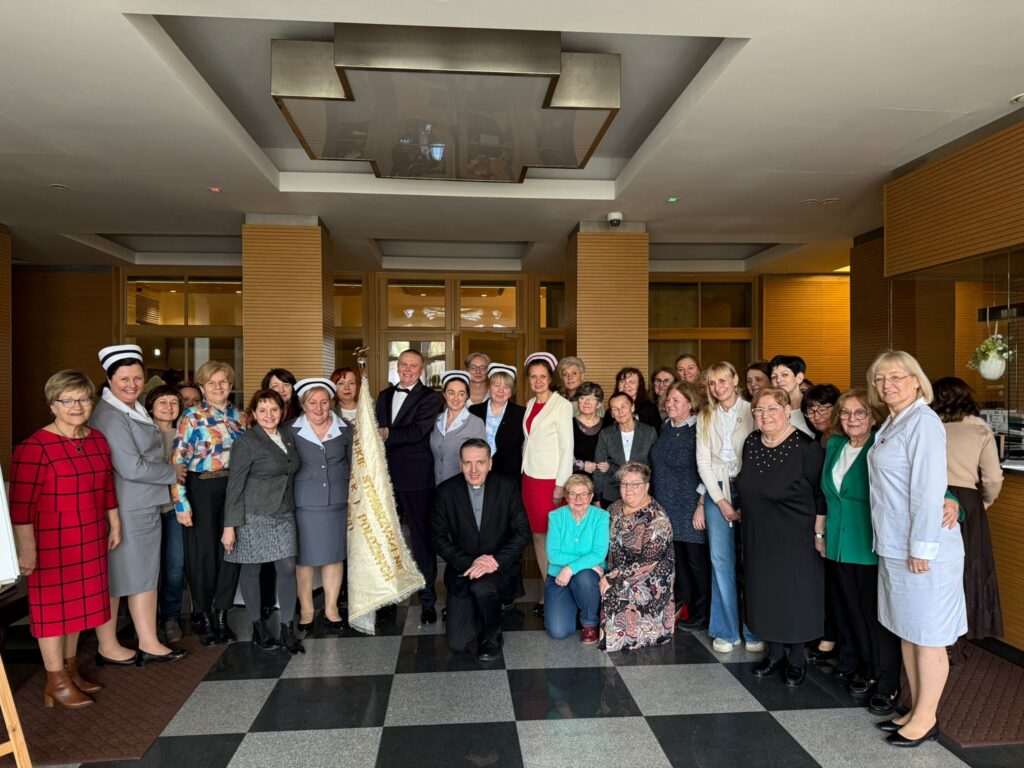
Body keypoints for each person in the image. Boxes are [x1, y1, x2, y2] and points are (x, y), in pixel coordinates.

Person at [867, 350, 966, 747]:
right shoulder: (895, 422)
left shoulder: (923, 422)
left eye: (896, 376)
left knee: (928, 635)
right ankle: (914, 707)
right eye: (880, 379)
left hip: (924, 549)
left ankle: (926, 718)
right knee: (907, 631)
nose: (887, 385)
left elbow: (928, 488)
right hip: (895, 544)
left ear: (915, 380)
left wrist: (922, 547)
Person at [11, 371, 119, 708]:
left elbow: (107, 487)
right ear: (52, 404)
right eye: (67, 400)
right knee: (52, 611)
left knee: (79, 607)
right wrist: (27, 550)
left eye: (83, 399)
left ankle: (71, 670)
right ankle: (55, 680)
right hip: (51, 543)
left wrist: (114, 524)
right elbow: (20, 507)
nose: (77, 406)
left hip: (89, 536)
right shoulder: (34, 447)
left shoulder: (97, 439)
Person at [89, 345, 188, 667]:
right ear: (109, 380)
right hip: (131, 505)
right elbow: (130, 467)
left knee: (139, 575)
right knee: (125, 577)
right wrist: (171, 472)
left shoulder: (128, 409)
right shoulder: (110, 415)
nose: (131, 384)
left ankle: (146, 640)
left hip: (140, 503)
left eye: (137, 378)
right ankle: (112, 645)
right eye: (124, 379)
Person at [736, 387, 826, 687]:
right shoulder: (752, 442)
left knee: (794, 593)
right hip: (758, 532)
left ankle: (797, 659)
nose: (765, 416)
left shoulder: (806, 447)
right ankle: (774, 654)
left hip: (795, 534)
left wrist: (818, 533)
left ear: (787, 410)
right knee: (764, 592)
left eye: (772, 409)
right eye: (759, 410)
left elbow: (820, 495)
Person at [821, 389, 903, 712]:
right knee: (852, 612)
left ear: (873, 417)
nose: (852, 419)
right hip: (838, 545)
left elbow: (910, 481)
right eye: (845, 413)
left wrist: (949, 500)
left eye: (860, 413)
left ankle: (888, 682)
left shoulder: (881, 447)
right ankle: (867, 669)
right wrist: (820, 533)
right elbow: (827, 494)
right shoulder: (835, 445)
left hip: (870, 543)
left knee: (876, 616)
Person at [432, 439, 530, 660]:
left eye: (480, 462)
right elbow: (438, 538)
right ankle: (478, 613)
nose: (474, 470)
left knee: (482, 588)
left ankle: (493, 635)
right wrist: (472, 563)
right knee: (458, 644)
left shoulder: (507, 486)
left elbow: (522, 532)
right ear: (460, 464)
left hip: (499, 570)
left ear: (490, 463)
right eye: (468, 463)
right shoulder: (445, 492)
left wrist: (495, 561)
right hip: (463, 570)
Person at [222, 389, 303, 654]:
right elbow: (234, 487)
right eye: (263, 410)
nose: (269, 415)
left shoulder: (287, 436)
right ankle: (258, 628)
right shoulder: (246, 442)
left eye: (274, 409)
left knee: (287, 567)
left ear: (282, 411)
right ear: (254, 414)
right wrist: (229, 527)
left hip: (284, 512)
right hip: (253, 514)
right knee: (252, 570)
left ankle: (287, 629)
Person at [171, 360, 245, 645]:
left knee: (230, 552)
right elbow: (177, 462)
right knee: (202, 556)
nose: (218, 387)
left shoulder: (240, 418)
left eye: (223, 382)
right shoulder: (190, 417)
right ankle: (203, 615)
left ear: (231, 385)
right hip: (201, 487)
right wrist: (181, 504)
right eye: (211, 383)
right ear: (202, 387)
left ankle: (222, 614)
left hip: (234, 489)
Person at [931, 376, 1004, 640]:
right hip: (967, 501)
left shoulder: (929, 428)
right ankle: (964, 630)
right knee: (970, 564)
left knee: (933, 566)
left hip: (932, 496)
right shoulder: (980, 430)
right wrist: (983, 503)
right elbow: (993, 479)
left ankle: (936, 634)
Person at [696, 361, 761, 653]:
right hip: (717, 489)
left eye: (723, 381)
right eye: (712, 383)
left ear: (735, 380)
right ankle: (727, 630)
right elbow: (703, 461)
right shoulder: (705, 415)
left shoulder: (752, 410)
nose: (718, 387)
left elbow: (758, 453)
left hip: (749, 488)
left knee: (752, 559)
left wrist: (747, 498)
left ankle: (754, 629)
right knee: (720, 561)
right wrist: (720, 500)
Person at [376, 348, 442, 624]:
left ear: (421, 370)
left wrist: (387, 433)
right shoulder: (384, 396)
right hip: (385, 478)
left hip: (416, 478)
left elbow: (418, 431)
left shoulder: (431, 398)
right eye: (403, 364)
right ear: (397, 366)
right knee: (386, 539)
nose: (407, 369)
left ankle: (427, 601)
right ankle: (388, 597)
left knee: (421, 540)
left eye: (413, 366)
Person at [289, 378, 352, 636]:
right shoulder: (289, 430)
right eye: (312, 402)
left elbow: (355, 465)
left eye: (324, 402)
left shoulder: (346, 429)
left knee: (334, 556)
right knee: (304, 558)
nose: (318, 408)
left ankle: (331, 608)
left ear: (331, 403)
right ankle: (306, 609)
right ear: (303, 404)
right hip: (303, 501)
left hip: (337, 500)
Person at [650, 381, 710, 631]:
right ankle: (686, 608)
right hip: (666, 506)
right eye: (668, 399)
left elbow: (709, 468)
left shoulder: (700, 429)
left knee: (696, 562)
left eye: (676, 400)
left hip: (691, 507)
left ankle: (704, 613)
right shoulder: (666, 426)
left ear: (690, 403)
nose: (670, 403)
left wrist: (701, 504)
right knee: (679, 562)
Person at [520, 352, 574, 617]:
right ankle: (548, 589)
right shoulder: (531, 403)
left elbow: (567, 448)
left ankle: (559, 591)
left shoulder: (561, 405)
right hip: (530, 477)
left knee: (553, 536)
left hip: (550, 481)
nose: (538, 381)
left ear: (550, 378)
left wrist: (560, 484)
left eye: (543, 376)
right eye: (533, 377)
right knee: (538, 536)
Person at [600, 463, 675, 652]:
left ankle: (645, 632)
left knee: (618, 603)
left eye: (635, 484)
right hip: (616, 572)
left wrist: (613, 577)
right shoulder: (614, 509)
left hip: (647, 580)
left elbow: (648, 562)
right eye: (624, 484)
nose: (628, 489)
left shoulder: (657, 519)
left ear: (646, 486)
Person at [544, 474, 608, 643]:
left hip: (584, 576)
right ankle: (574, 603)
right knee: (558, 631)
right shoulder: (556, 516)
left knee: (584, 577)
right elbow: (553, 554)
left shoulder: (601, 517)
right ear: (566, 497)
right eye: (573, 494)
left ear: (591, 496)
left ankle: (589, 623)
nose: (578, 499)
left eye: (583, 494)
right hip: (558, 576)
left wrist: (570, 568)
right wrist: (588, 563)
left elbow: (599, 553)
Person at [146, 384, 186, 643]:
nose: (169, 407)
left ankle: (170, 617)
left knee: (175, 566)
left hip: (174, 509)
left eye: (174, 402)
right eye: (162, 402)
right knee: (148, 569)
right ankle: (145, 621)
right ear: (151, 407)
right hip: (147, 509)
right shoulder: (141, 433)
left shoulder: (185, 432)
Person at [594, 392, 657, 508]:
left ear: (632, 407)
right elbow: (599, 467)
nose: (620, 411)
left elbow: (653, 466)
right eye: (615, 409)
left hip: (640, 493)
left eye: (623, 406)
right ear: (612, 414)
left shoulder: (649, 432)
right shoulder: (606, 434)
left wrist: (611, 467)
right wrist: (597, 498)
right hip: (611, 492)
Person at [468, 363, 525, 482]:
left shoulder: (521, 413)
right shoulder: (474, 411)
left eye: (506, 387)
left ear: (511, 392)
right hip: (477, 474)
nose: (500, 391)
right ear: (489, 388)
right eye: (496, 385)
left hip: (509, 478)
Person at [430, 371, 487, 485]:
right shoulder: (436, 420)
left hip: (462, 488)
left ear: (467, 396)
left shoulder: (475, 423)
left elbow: (481, 461)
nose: (455, 398)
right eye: (451, 393)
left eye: (461, 393)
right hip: (437, 487)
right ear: (444, 394)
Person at [769, 355, 813, 437]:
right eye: (774, 377)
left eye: (784, 375)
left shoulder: (812, 406)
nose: (778, 380)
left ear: (799, 378)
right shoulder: (771, 408)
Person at [571, 381, 604, 477]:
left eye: (591, 399)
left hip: (602, 479)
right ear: (578, 402)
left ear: (598, 404)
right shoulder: (568, 424)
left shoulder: (607, 425)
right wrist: (581, 465)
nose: (586, 402)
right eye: (582, 398)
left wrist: (607, 465)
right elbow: (561, 454)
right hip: (575, 479)